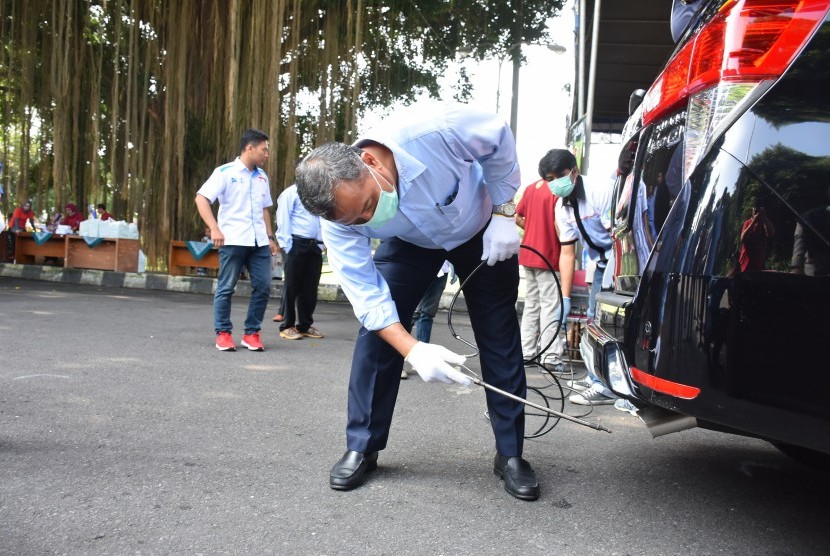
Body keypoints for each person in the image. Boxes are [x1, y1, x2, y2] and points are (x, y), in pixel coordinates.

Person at [295, 102, 540, 501]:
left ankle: (510, 453)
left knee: (499, 332)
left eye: (369, 207)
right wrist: (414, 350)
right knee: (377, 337)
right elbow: (367, 296)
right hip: (409, 243)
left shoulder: (438, 129)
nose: (365, 220)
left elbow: (498, 141)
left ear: (370, 161)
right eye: (356, 221)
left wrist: (503, 212)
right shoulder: (338, 218)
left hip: (479, 226)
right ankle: (363, 445)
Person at [195, 129, 278, 352]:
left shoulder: (262, 176)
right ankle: (223, 333)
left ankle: (252, 333)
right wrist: (214, 228)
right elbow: (201, 198)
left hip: (259, 242)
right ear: (250, 148)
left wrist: (270, 237)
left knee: (263, 286)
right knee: (226, 287)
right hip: (233, 239)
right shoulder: (225, 172)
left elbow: (264, 210)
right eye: (264, 150)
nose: (267, 154)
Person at [547, 149, 617, 406]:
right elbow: (568, 253)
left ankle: (608, 386)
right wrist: (564, 298)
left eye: (558, 176)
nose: (554, 183)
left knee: (608, 323)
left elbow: (620, 237)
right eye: (549, 178)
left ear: (574, 171)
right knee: (592, 321)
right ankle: (595, 375)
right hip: (599, 264)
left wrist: (617, 277)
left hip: (620, 260)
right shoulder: (560, 207)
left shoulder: (601, 190)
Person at [516, 152, 565, 371]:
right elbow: (560, 226)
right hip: (549, 256)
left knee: (531, 306)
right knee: (550, 307)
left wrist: (532, 231)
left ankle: (526, 352)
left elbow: (517, 216)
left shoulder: (530, 188)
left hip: (528, 254)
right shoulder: (558, 191)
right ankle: (550, 356)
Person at [274, 183, 325, 341]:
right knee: (292, 286)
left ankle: (304, 324)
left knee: (310, 288)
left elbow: (323, 218)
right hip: (296, 243)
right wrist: (287, 245)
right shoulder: (291, 193)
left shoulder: (320, 192)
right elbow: (283, 217)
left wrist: (322, 242)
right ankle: (287, 325)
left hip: (314, 245)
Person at [738, 205, 774, 272]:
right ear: (752, 210)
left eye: (758, 208)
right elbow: (743, 238)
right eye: (754, 208)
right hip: (745, 266)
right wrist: (754, 221)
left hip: (759, 267)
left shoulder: (764, 224)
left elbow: (771, 233)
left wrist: (764, 217)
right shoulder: (747, 222)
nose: (755, 210)